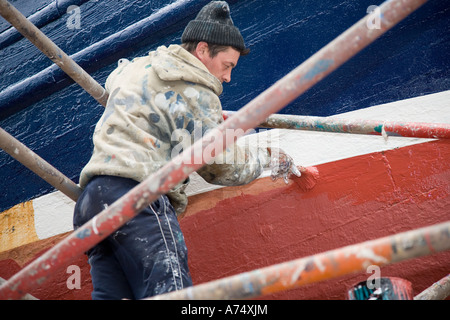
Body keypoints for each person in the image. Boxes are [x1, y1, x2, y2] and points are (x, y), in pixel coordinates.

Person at [73, 0, 300, 300]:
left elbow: (114, 76)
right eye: (227, 65)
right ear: (203, 50)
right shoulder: (197, 91)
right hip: (139, 199)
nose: (228, 77)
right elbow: (220, 165)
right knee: (172, 294)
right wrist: (268, 155)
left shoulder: (140, 67)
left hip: (92, 201)